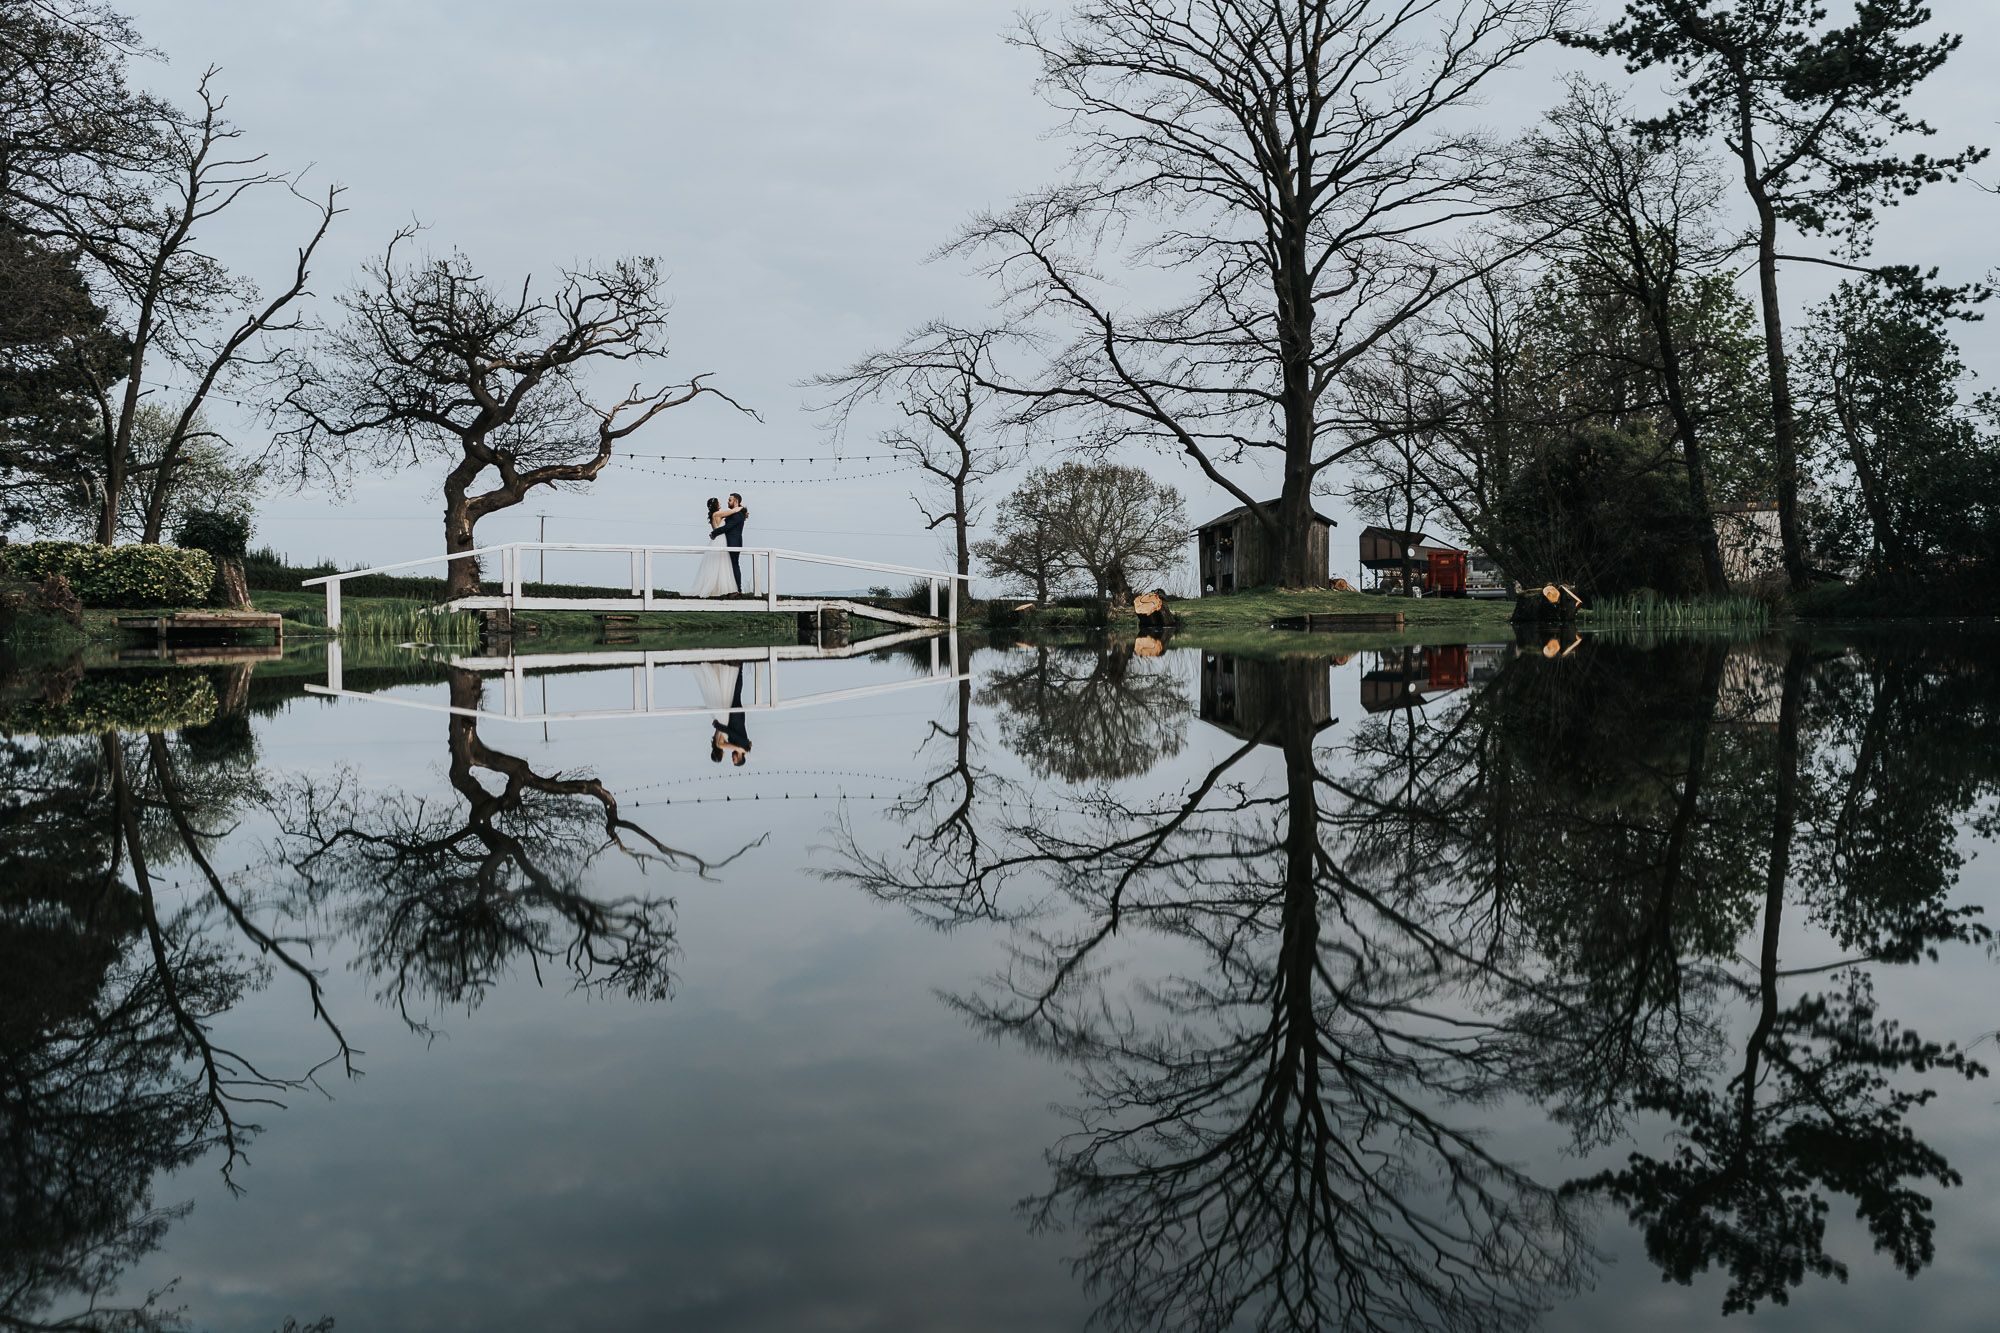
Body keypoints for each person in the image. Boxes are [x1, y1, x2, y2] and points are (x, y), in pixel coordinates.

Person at [689, 497, 736, 597]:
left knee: (717, 563)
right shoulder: (717, 514)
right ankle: (719, 588)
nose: (720, 503)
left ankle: (717, 587)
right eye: (718, 502)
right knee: (722, 562)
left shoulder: (712, 516)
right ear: (716, 505)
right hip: (720, 539)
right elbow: (732, 511)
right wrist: (741, 508)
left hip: (716, 539)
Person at [714, 492, 749, 591]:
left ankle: (738, 589)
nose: (727, 502)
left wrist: (714, 533)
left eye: (730, 500)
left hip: (734, 542)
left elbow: (728, 527)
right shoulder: (733, 514)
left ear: (736, 501)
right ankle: (731, 587)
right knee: (729, 565)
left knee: (734, 564)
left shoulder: (738, 515)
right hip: (729, 542)